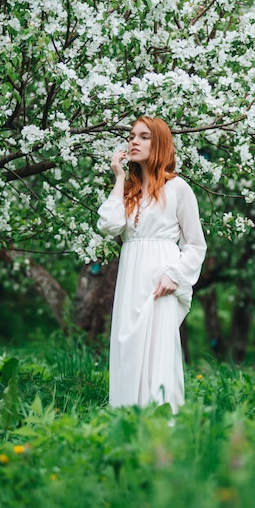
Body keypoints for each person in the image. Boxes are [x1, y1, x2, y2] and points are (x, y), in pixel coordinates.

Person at [97, 116, 206, 413]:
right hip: (130, 276)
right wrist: (119, 177)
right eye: (132, 136)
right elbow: (109, 224)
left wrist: (176, 275)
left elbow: (196, 244)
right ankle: (126, 422)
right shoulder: (129, 189)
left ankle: (162, 427)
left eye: (143, 137)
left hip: (162, 279)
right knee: (127, 348)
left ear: (159, 143)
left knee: (158, 354)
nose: (133, 141)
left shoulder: (179, 188)